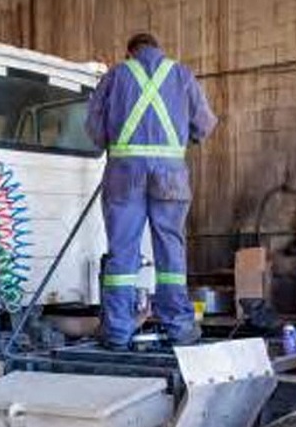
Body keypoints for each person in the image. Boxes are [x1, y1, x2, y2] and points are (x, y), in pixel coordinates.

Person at [87, 33, 217, 349]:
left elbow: (93, 127)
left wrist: (114, 143)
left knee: (123, 251)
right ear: (158, 48)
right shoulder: (182, 74)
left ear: (130, 52)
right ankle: (180, 326)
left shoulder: (116, 75)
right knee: (170, 250)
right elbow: (205, 125)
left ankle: (117, 330)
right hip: (170, 176)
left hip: (124, 176)